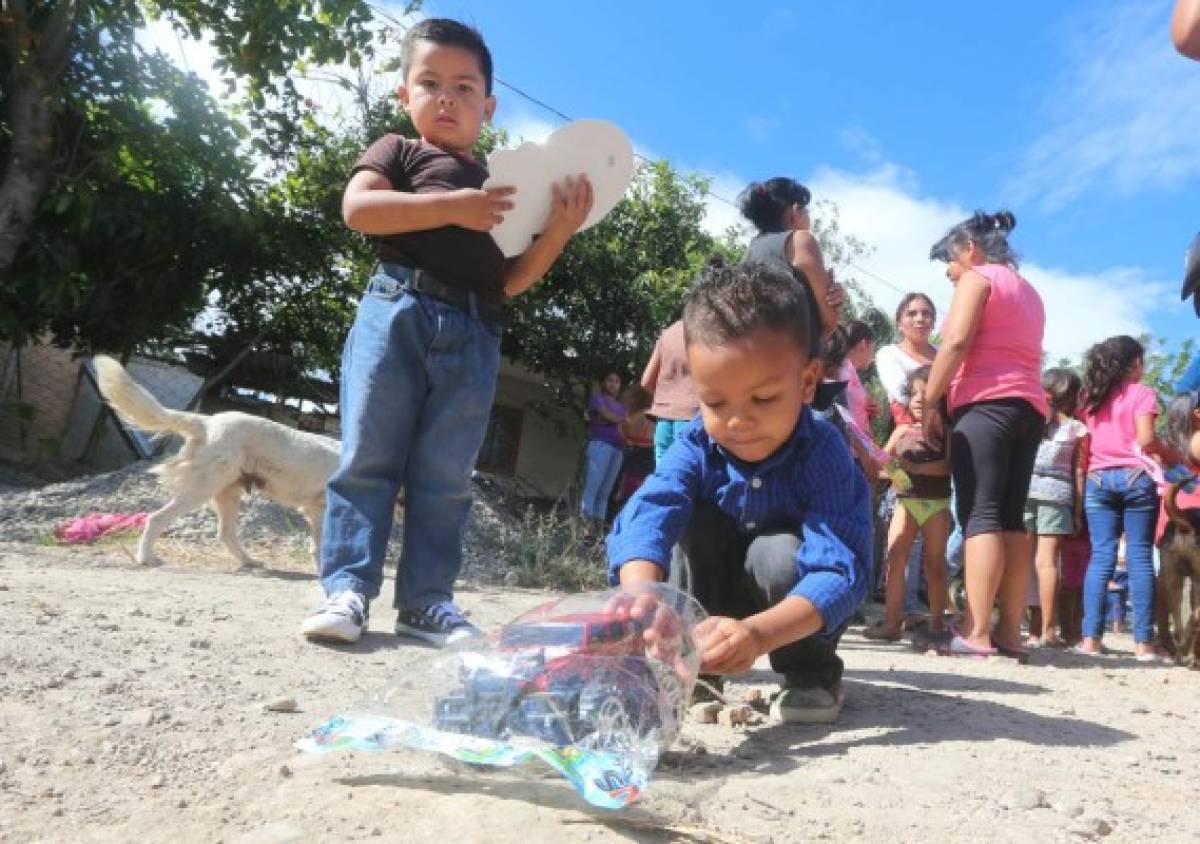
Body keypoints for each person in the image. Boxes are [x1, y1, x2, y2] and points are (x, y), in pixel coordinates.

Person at [302, 19, 594, 645]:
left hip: (476, 329)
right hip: (397, 307)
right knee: (368, 458)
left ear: (488, 106)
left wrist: (559, 232)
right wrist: (451, 209)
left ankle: (426, 603)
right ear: (404, 95)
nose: (447, 98)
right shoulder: (399, 152)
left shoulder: (507, 185)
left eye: (465, 87)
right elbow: (358, 209)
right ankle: (348, 591)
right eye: (430, 83)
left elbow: (510, 280)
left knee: (445, 476)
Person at [606, 258, 872, 724]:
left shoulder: (825, 452)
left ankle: (811, 673)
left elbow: (839, 568)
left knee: (778, 553)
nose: (737, 421)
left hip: (790, 611)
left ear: (807, 382)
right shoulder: (695, 442)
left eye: (764, 399)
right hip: (715, 597)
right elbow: (649, 511)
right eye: (715, 402)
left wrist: (756, 635)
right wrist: (641, 595)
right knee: (690, 523)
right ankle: (699, 668)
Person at [925, 211, 1047, 660]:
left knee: (981, 514)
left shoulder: (978, 280)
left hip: (985, 406)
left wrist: (930, 404)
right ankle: (1011, 634)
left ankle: (976, 632)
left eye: (950, 262)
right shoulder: (1030, 291)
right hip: (1029, 408)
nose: (949, 273)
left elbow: (955, 343)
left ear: (970, 249)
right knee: (1012, 519)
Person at [1076, 336, 1170, 660]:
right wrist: (1168, 453)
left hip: (1098, 479)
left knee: (1101, 556)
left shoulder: (1090, 398)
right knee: (1140, 556)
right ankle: (1144, 643)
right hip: (1135, 477)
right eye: (1140, 362)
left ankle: (1090, 640)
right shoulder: (1142, 394)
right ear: (1132, 364)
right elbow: (1146, 439)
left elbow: (1086, 444)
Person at [864, 367, 951, 645]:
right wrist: (892, 470)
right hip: (906, 501)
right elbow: (883, 465)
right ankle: (891, 622)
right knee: (895, 558)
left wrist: (916, 468)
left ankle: (937, 624)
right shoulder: (901, 430)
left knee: (935, 565)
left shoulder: (945, 430)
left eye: (925, 394)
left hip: (936, 504)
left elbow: (950, 467)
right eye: (913, 393)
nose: (917, 399)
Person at [1024, 368, 1088, 647]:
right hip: (1057, 497)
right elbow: (1079, 472)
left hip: (1024, 494)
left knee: (1024, 564)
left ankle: (1033, 630)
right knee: (1047, 562)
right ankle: (1050, 631)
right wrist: (1077, 511)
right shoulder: (1077, 429)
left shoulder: (1030, 422)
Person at [739, 177, 843, 349]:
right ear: (795, 212)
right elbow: (829, 323)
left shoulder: (749, 253)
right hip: (791, 362)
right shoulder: (801, 241)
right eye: (806, 210)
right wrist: (834, 305)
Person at [641, 320, 699, 463]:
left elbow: (646, 381)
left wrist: (667, 396)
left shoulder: (668, 333)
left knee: (664, 473)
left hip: (664, 418)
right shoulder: (710, 330)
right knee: (690, 473)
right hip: (695, 416)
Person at [875, 293, 938, 425]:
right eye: (912, 314)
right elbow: (902, 393)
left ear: (933, 323)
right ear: (899, 324)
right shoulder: (889, 354)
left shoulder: (944, 353)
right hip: (911, 432)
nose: (920, 319)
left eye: (926, 314)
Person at [580, 371, 627, 534]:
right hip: (600, 445)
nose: (613, 384)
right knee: (592, 488)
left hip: (618, 450)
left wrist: (614, 420)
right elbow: (608, 417)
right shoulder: (597, 399)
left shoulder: (622, 407)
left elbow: (621, 425)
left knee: (605, 492)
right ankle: (585, 529)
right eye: (610, 380)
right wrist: (618, 420)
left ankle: (597, 533)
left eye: (617, 381)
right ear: (603, 383)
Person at [615, 386, 656, 505]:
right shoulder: (650, 414)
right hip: (648, 450)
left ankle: (621, 496)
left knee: (627, 476)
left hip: (631, 448)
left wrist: (628, 439)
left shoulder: (630, 416)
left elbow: (620, 430)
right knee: (642, 482)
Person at [842, 319, 878, 436]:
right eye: (872, 348)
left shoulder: (850, 373)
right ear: (863, 344)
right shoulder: (844, 372)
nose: (873, 357)